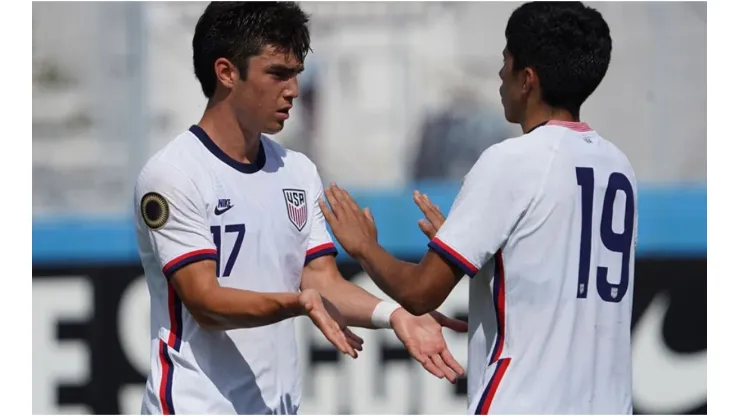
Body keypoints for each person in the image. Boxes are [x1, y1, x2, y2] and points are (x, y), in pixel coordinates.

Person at [133, 2, 467, 414]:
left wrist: (394, 314)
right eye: (277, 73)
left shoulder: (297, 170)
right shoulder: (173, 174)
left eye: (296, 74)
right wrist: (295, 302)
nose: (293, 89)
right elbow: (205, 304)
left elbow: (320, 282)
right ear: (226, 73)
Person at [320, 2, 637, 414]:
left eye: (505, 60)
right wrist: (473, 244)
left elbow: (420, 294)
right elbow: (549, 266)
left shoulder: (513, 160)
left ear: (527, 79)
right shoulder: (617, 164)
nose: (499, 74)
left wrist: (364, 248)